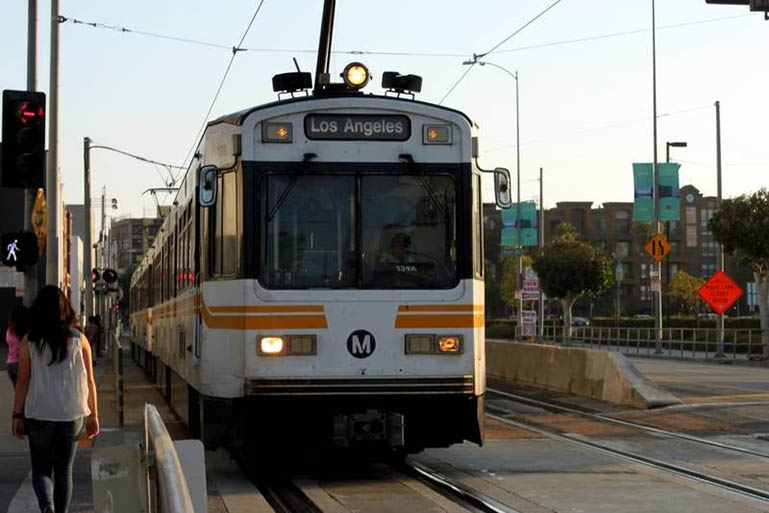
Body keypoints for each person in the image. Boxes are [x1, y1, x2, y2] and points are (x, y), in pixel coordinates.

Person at [11, 285, 100, 513]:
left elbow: (22, 381)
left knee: (41, 470)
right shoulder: (80, 340)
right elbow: (90, 381)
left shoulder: (29, 341)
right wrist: (94, 415)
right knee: (64, 471)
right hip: (72, 414)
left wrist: (17, 415)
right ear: (65, 310)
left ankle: (47, 508)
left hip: (38, 413)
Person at [5, 304, 29, 388]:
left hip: (10, 364)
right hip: (19, 363)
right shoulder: (23, 334)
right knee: (24, 390)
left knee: (17, 389)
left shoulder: (9, 331)